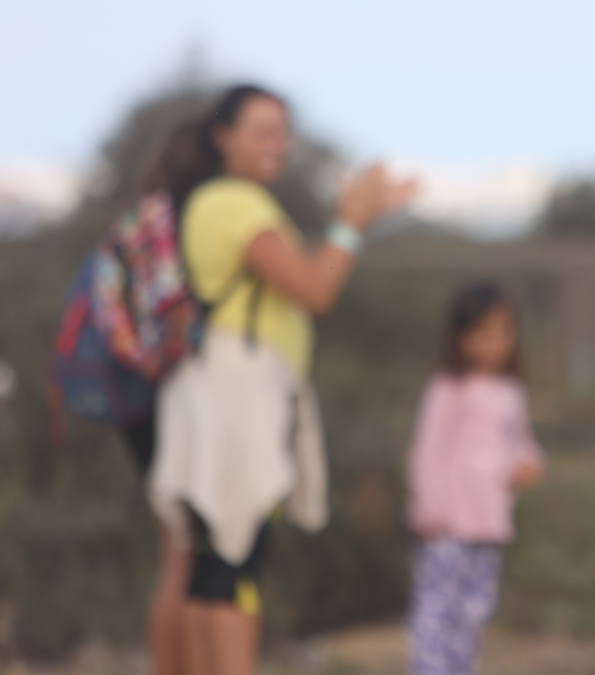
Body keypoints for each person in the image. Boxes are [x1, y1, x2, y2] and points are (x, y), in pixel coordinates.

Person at [146, 83, 415, 675]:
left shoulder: (215, 203)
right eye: (263, 130)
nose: (279, 144)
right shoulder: (236, 204)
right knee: (232, 567)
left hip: (212, 398)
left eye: (283, 131)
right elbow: (315, 288)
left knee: (204, 566)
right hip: (234, 401)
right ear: (224, 137)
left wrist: (358, 220)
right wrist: (350, 221)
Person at [406, 281, 544, 675]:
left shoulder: (510, 391)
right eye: (482, 334)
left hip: (490, 522)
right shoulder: (449, 389)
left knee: (473, 611)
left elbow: (520, 442)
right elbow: (427, 451)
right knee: (436, 610)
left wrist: (528, 464)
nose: (493, 344)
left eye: (501, 333)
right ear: (460, 338)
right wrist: (428, 509)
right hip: (447, 523)